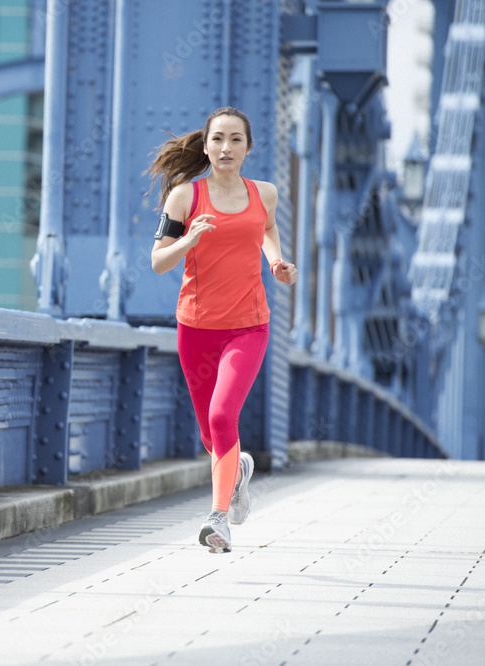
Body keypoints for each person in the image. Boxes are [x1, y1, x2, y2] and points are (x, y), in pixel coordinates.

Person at [147, 107, 297, 553]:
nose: (226, 148)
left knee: (221, 415)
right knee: (210, 435)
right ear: (206, 145)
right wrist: (188, 240)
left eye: (236, 140)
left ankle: (217, 520)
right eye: (218, 139)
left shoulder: (264, 194)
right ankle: (239, 472)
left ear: (248, 147)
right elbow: (158, 261)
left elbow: (267, 229)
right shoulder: (184, 198)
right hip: (196, 327)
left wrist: (275, 261)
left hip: (248, 326)